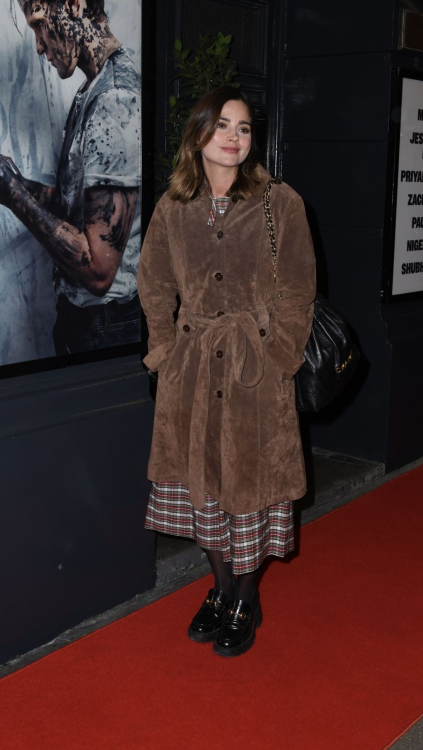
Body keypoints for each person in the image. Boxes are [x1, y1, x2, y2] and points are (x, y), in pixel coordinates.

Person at [137, 86, 316, 657]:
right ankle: (220, 589)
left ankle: (244, 596)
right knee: (204, 490)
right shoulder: (173, 207)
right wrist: (163, 351)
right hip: (189, 370)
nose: (234, 138)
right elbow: (154, 284)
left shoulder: (279, 203)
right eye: (223, 126)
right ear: (198, 135)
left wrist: (280, 356)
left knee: (252, 490)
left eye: (243, 128)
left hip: (254, 374)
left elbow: (299, 290)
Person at [0, 0, 141, 355]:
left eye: (38, 24)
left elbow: (98, 270)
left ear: (74, 5)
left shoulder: (115, 99)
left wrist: (11, 191)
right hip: (85, 321)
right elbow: (77, 209)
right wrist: (4, 181)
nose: (38, 45)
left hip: (106, 327)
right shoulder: (93, 90)